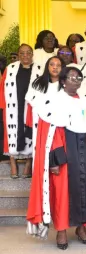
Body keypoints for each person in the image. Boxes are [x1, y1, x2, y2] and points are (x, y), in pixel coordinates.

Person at [26, 67, 86, 249]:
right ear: (63, 81)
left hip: (84, 151)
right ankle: (61, 230)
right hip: (65, 152)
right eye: (72, 77)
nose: (76, 80)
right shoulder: (53, 103)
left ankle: (82, 228)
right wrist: (55, 161)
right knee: (62, 192)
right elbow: (51, 133)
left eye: (79, 77)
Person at [0, 44, 44, 179]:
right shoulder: (10, 69)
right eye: (22, 53)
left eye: (28, 53)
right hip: (13, 105)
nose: (25, 55)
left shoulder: (40, 69)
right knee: (12, 132)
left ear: (32, 54)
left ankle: (28, 163)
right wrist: (3, 106)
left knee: (29, 133)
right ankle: (13, 162)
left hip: (31, 106)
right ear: (18, 55)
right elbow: (2, 87)